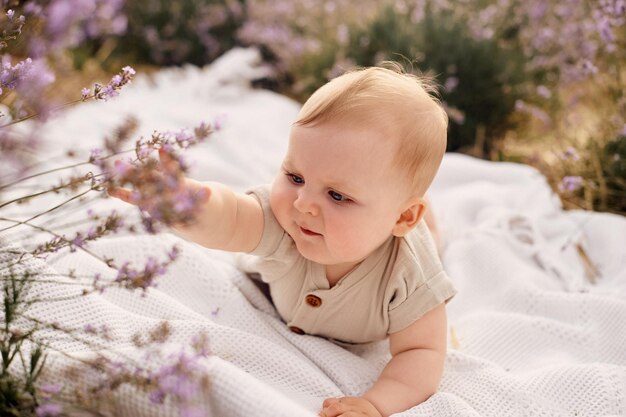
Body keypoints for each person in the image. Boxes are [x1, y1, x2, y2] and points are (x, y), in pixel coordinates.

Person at [110, 64, 456, 417]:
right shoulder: (285, 219)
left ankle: (429, 223)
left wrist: (375, 404)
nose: (303, 204)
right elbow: (230, 218)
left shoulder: (410, 275)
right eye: (295, 175)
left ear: (401, 218)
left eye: (336, 196)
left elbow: (422, 354)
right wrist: (186, 205)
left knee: (432, 242)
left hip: (409, 247)